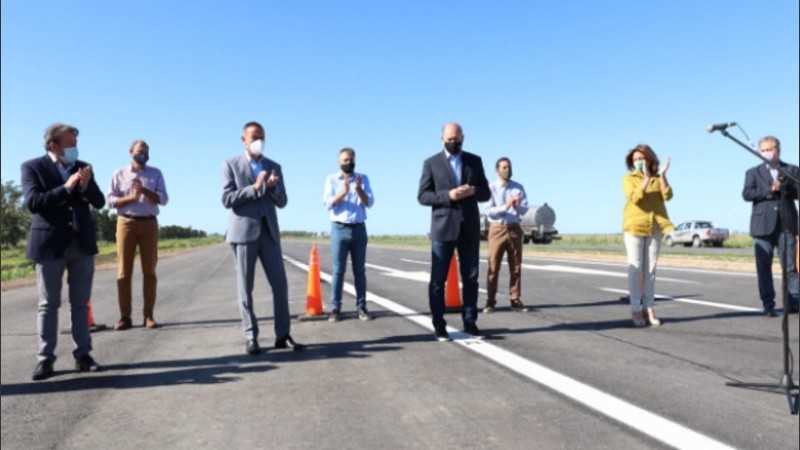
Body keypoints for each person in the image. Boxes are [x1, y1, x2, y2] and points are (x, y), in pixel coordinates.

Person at [21, 123, 106, 380]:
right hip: (50, 244)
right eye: (70, 144)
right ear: (53, 145)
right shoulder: (33, 167)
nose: (74, 149)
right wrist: (67, 188)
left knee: (80, 303)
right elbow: (34, 202)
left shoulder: (83, 167)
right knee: (48, 303)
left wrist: (86, 186)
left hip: (81, 244)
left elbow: (100, 202)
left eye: (76, 143)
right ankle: (45, 359)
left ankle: (83, 355)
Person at [221, 121, 304, 355]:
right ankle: (251, 336)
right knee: (245, 288)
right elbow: (227, 198)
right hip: (244, 232)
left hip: (269, 232)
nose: (259, 141)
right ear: (243, 139)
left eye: (262, 137)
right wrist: (255, 187)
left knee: (280, 284)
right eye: (254, 136)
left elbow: (283, 201)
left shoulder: (273, 166)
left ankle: (283, 334)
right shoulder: (231, 164)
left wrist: (271, 188)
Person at [418, 122, 491, 341]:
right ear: (442, 139)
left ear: (463, 138)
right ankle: (439, 325)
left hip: (468, 228)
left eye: (457, 139)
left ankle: (470, 322)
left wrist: (473, 191)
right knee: (438, 280)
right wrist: (448, 196)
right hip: (443, 227)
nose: (453, 142)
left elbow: (486, 193)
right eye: (449, 139)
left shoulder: (474, 161)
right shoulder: (431, 163)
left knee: (471, 277)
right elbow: (423, 196)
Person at [107, 140, 169, 330]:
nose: (143, 154)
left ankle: (148, 316)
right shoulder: (119, 173)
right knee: (124, 271)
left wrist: (144, 191)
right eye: (140, 151)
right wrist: (132, 198)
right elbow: (110, 201)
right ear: (131, 152)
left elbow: (164, 199)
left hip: (149, 223)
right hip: (126, 223)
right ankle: (125, 317)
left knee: (149, 271)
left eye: (146, 151)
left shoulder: (155, 173)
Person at [741, 135, 800, 316]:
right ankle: (768, 304)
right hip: (762, 225)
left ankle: (794, 302)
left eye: (770, 149)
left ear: (778, 150)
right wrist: (770, 190)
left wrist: (785, 188)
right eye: (764, 150)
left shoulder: (792, 169)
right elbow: (747, 194)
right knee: (763, 267)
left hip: (786, 225)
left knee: (789, 266)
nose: (767, 153)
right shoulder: (753, 172)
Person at [622, 144, 674, 327]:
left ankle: (648, 307)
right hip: (635, 226)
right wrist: (644, 179)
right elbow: (635, 198)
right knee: (635, 268)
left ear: (649, 159)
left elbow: (668, 195)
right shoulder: (628, 179)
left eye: (641, 159)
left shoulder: (658, 178)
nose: (638, 162)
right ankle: (636, 309)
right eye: (635, 160)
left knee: (650, 269)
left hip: (655, 226)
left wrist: (663, 176)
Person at [322, 147, 375, 322]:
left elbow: (369, 202)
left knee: (360, 270)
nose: (349, 163)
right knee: (338, 270)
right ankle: (336, 308)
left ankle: (361, 306)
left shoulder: (363, 178)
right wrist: (344, 192)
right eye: (345, 160)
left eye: (351, 160)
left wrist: (358, 189)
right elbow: (328, 204)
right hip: (339, 229)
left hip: (359, 229)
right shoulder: (331, 180)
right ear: (339, 161)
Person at [483, 157, 531, 313]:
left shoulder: (518, 187)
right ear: (497, 170)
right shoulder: (491, 188)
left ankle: (515, 298)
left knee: (516, 266)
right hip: (497, 228)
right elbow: (488, 210)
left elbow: (525, 210)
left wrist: (516, 206)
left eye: (509, 167)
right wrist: (506, 206)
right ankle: (490, 301)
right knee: (493, 266)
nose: (507, 170)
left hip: (514, 228)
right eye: (503, 167)